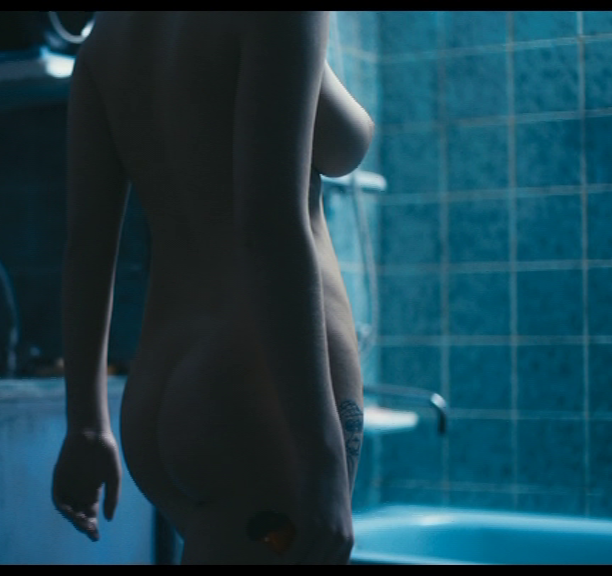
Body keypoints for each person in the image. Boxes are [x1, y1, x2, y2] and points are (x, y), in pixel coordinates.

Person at [51, 11, 373, 564]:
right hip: (255, 394)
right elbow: (269, 223)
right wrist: (322, 461)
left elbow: (86, 247)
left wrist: (85, 422)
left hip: (159, 387)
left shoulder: (106, 40)